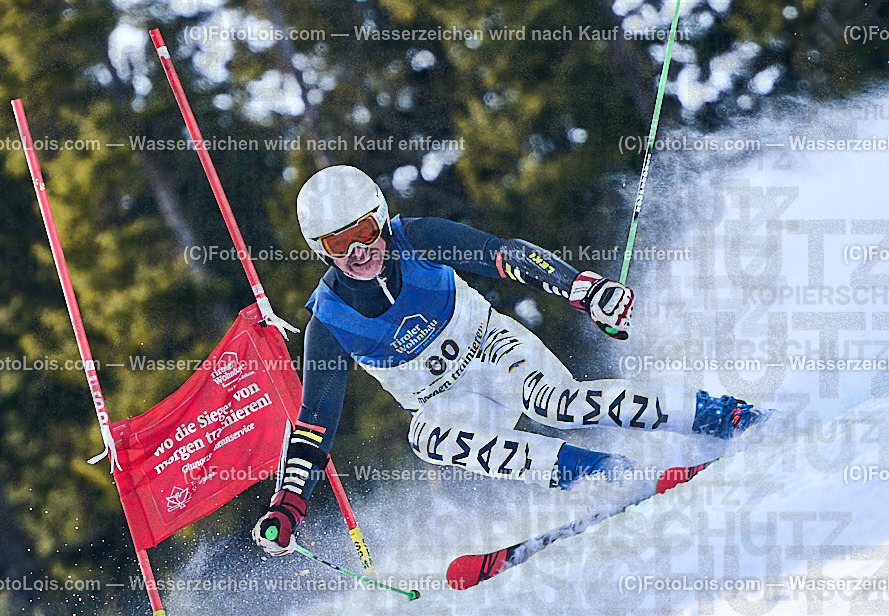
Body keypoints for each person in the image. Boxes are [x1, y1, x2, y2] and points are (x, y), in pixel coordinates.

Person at [252, 165, 763, 556]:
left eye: (363, 231)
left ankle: (718, 414)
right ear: (320, 250)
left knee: (559, 405)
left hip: (492, 349)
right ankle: (605, 475)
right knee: (425, 437)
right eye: (338, 243)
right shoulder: (329, 321)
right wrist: (288, 504)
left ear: (381, 218)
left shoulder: (417, 239)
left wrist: (584, 290)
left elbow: (504, 255)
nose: (359, 251)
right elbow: (314, 424)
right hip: (447, 403)